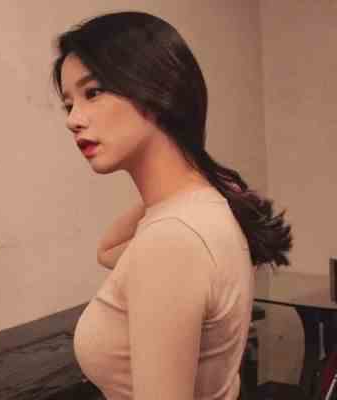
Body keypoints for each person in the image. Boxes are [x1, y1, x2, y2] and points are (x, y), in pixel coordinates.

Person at [51, 10, 293, 400]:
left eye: (92, 92)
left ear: (155, 88)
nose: (73, 120)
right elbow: (107, 251)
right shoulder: (201, 207)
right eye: (68, 104)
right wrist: (176, 178)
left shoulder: (172, 240)